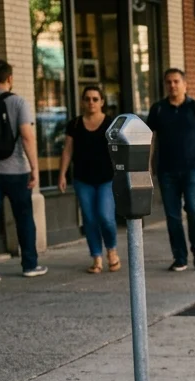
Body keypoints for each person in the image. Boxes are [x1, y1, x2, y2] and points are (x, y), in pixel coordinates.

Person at [147, 68, 195, 271]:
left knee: (194, 210)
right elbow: (150, 140)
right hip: (166, 171)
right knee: (172, 215)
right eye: (169, 82)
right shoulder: (158, 109)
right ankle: (179, 257)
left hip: (192, 170)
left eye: (176, 81)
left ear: (185, 84)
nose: (172, 85)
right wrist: (146, 167)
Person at [0, 60, 42, 282]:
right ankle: (30, 264)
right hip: (16, 170)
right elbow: (27, 136)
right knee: (24, 217)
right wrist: (34, 168)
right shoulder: (17, 102)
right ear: (9, 79)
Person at [58, 85, 118, 274]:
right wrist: (62, 174)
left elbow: (119, 150)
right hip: (83, 180)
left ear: (102, 102)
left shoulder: (110, 124)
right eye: (87, 99)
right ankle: (96, 258)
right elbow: (68, 150)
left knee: (106, 217)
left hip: (107, 179)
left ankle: (112, 250)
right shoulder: (75, 124)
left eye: (95, 99)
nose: (91, 102)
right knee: (90, 219)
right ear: (82, 102)